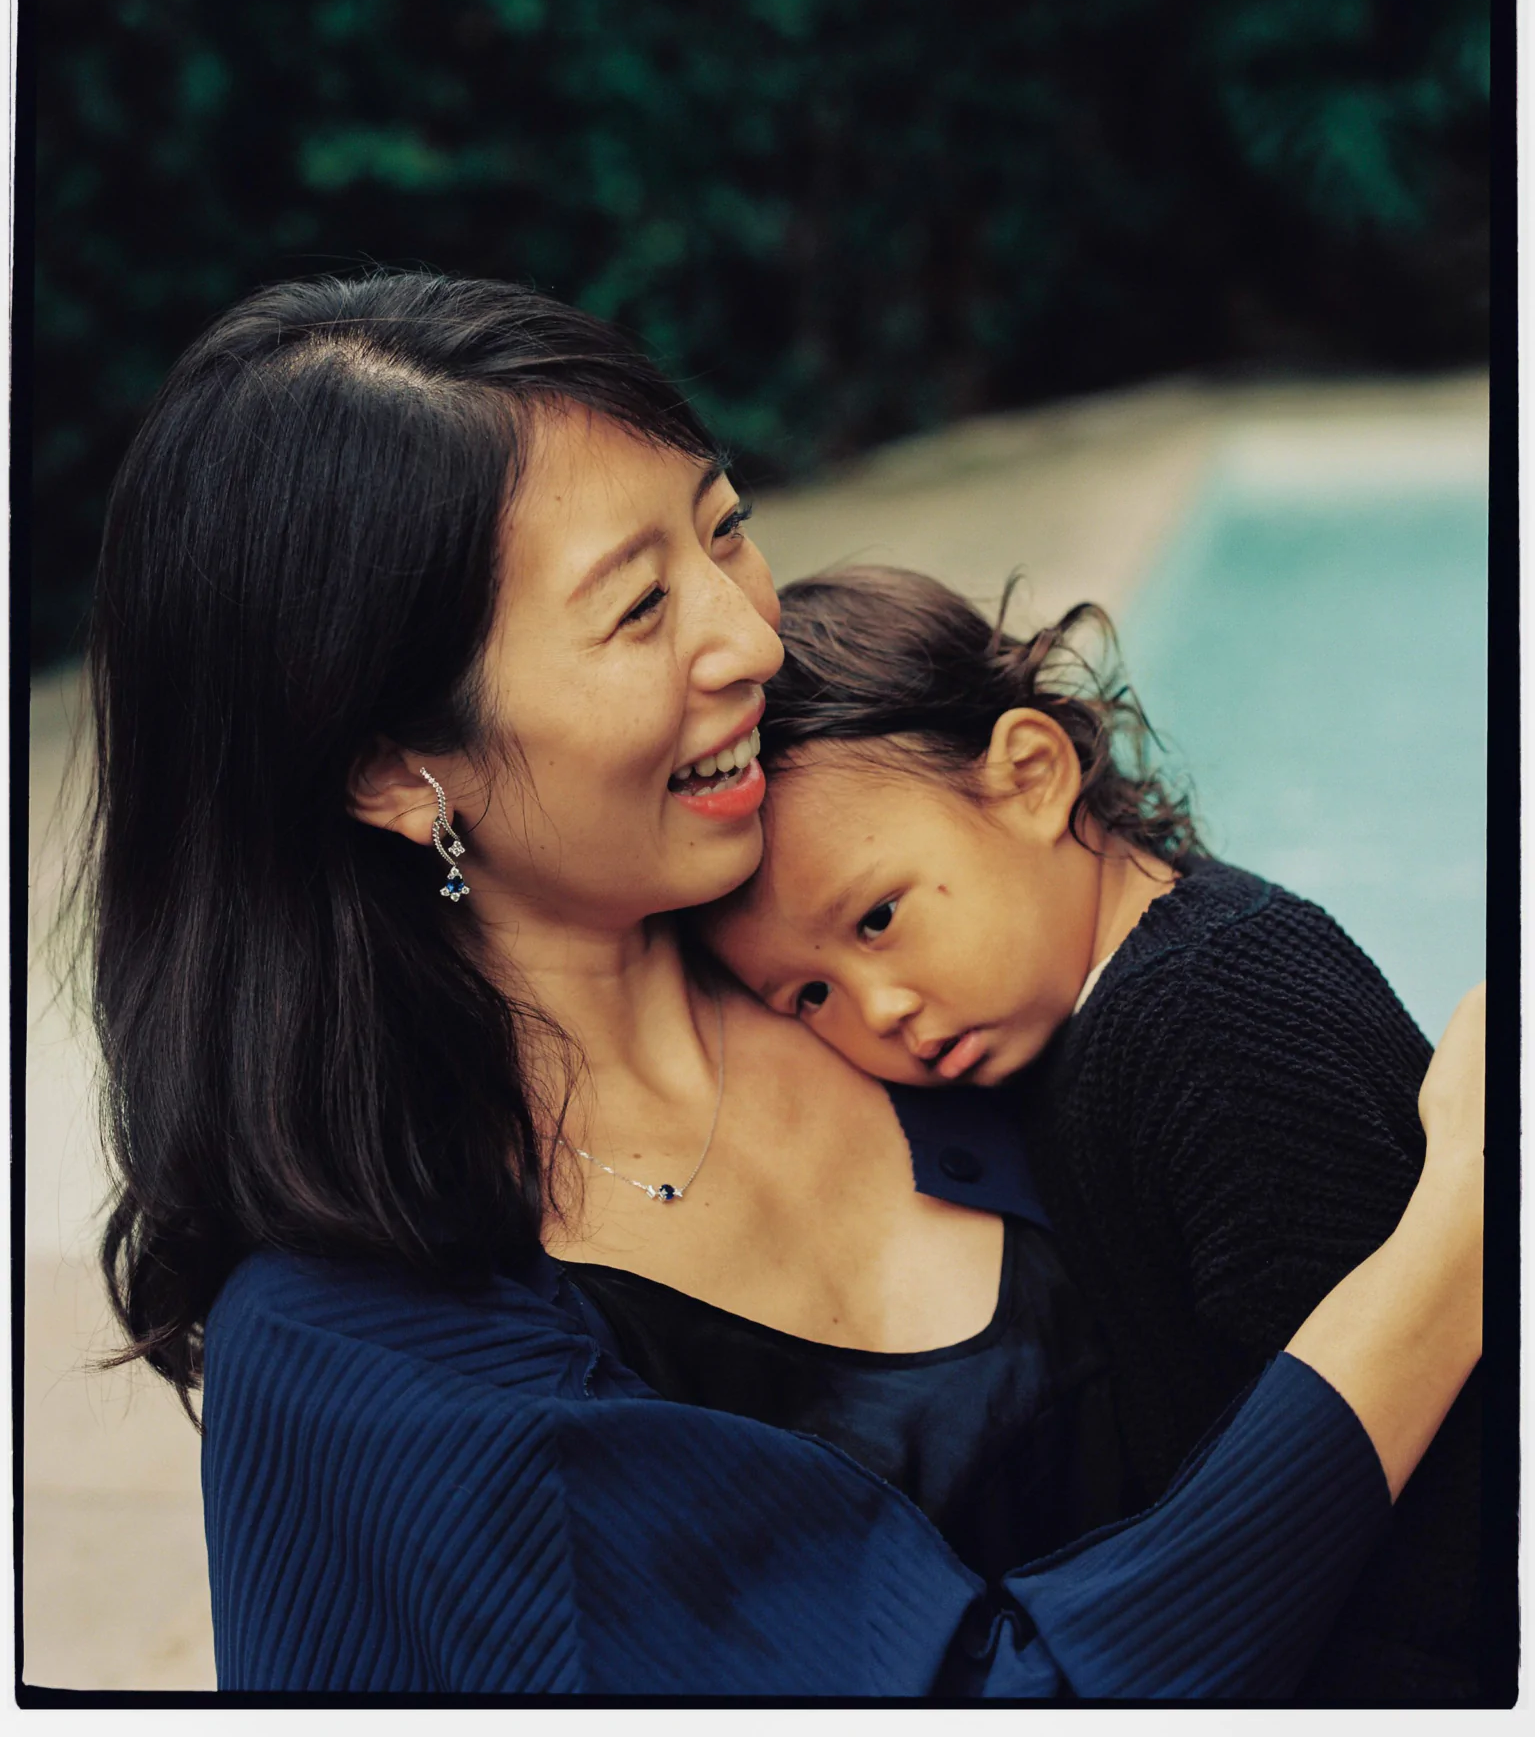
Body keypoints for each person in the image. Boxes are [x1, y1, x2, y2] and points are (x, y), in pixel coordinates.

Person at [77, 272, 1483, 1699]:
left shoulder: (879, 958)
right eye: (636, 610)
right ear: (391, 768)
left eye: (723, 528)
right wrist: (1461, 1234)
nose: (750, 640)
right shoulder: (375, 1355)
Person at [699, 563, 1485, 1701]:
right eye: (804, 996)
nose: (878, 1013)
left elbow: (1433, 1478)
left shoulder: (1221, 1017)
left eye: (876, 918)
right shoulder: (1064, 1019)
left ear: (1027, 776)